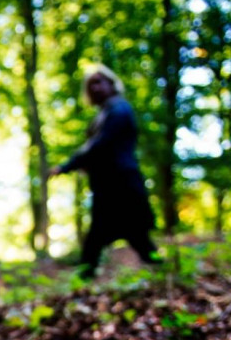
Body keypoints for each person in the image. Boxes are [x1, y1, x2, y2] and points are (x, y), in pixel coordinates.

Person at [49, 65, 160, 279]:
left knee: (132, 235)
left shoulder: (119, 109)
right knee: (106, 236)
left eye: (100, 82)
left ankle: (163, 272)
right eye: (91, 85)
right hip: (108, 186)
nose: (96, 88)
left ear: (111, 83)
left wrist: (67, 166)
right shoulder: (105, 113)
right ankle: (84, 278)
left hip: (121, 185)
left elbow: (99, 145)